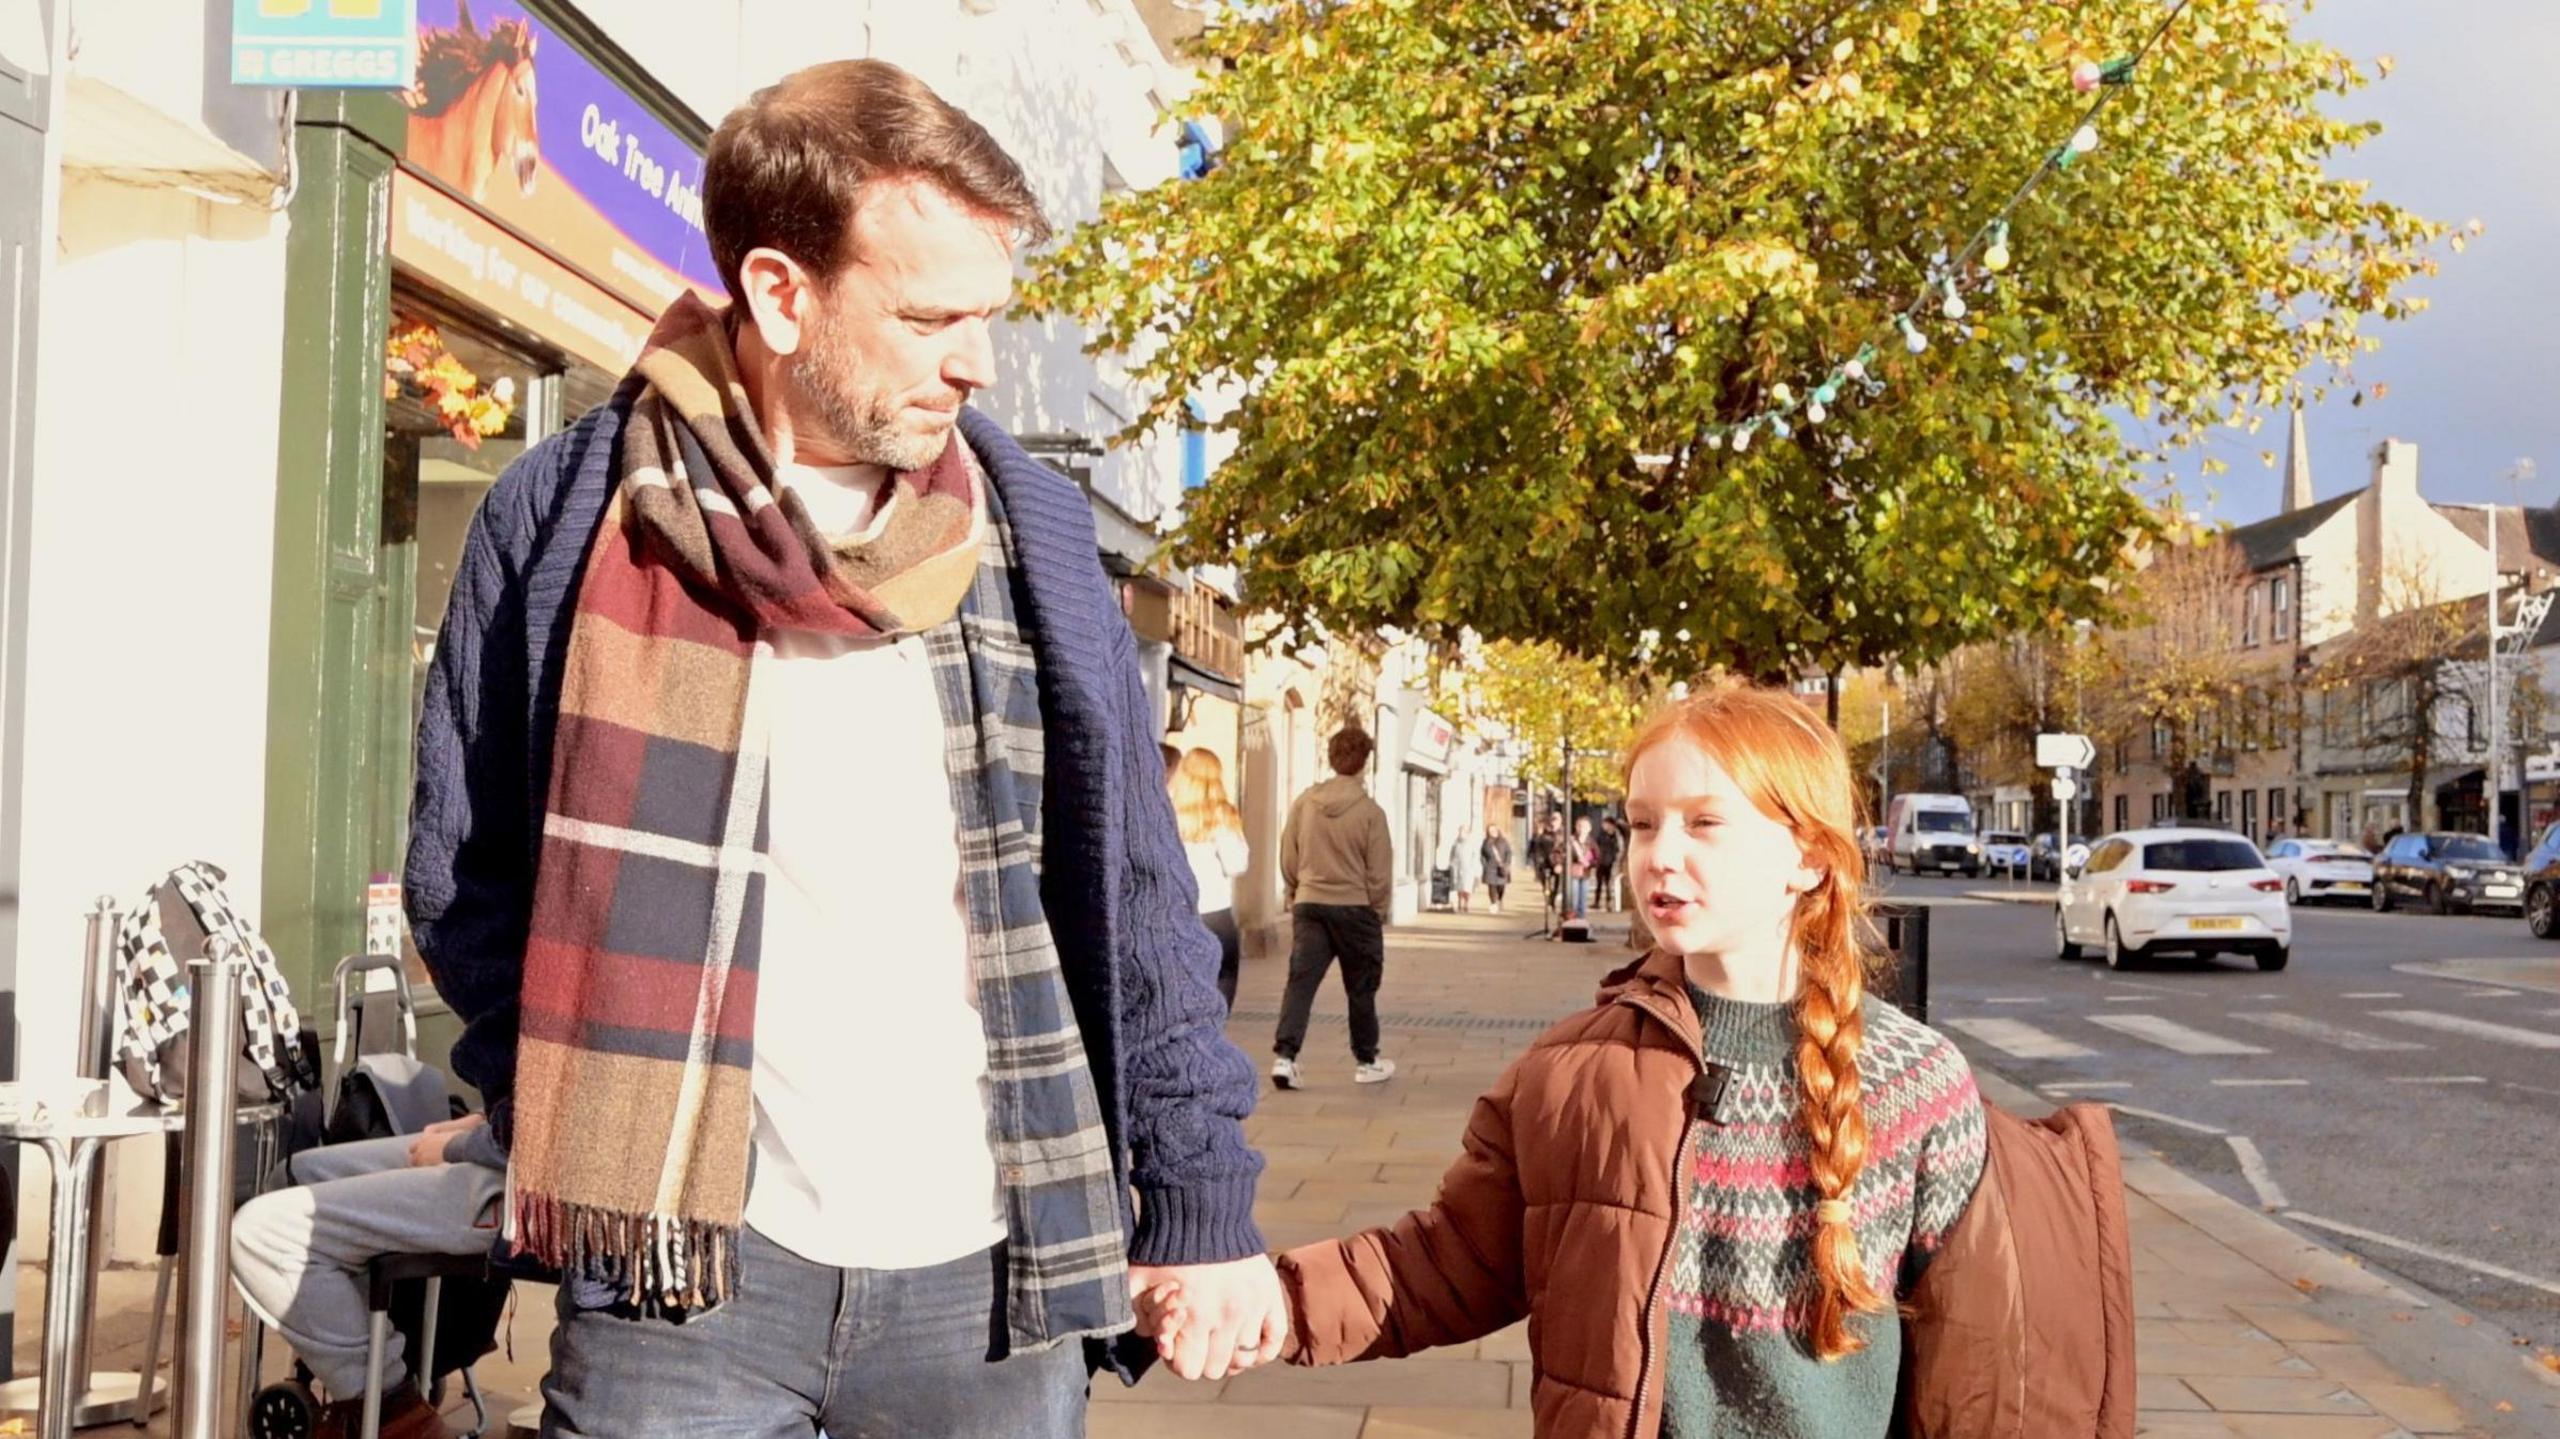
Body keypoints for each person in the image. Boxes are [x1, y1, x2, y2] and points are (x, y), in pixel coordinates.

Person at [404, 59, 1287, 1436]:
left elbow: (1137, 900)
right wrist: (583, 1117)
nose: (975, 361)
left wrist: (1200, 1200)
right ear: (778, 293)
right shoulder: (571, 514)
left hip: (989, 1277)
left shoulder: (1033, 538)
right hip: (676, 1283)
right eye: (931, 314)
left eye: (988, 315)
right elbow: (465, 874)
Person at [1142, 682, 2134, 1436]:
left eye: (1704, 823)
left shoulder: (1915, 1082)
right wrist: (1266, 1298)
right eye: (1643, 822)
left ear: (1809, 856)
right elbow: (1442, 1263)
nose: (1661, 854)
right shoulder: (1574, 1071)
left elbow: (1985, 1374)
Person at [229, 1118, 502, 1439]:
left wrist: (458, 1146)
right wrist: (482, 1119)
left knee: (260, 1235)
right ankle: (371, 1391)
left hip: (527, 1177)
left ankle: (394, 1412)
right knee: (295, 1176)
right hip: (504, 1138)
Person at [1271, 728, 1396, 1091]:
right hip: (1355, 907)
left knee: (1301, 981)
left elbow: (1288, 853)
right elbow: (1379, 870)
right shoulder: (1371, 813)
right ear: (1364, 764)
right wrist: (1378, 907)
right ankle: (1366, 1060)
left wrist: (1297, 888)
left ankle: (1285, 1056)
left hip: (1311, 903)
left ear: (1331, 757)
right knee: (1361, 987)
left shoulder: (1305, 803)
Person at [1173, 747, 1252, 1008]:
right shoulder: (1223, 815)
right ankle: (1215, 1035)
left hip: (1179, 911)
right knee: (1224, 976)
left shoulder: (1169, 813)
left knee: (1183, 982)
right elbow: (1237, 864)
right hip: (1215, 912)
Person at [1565, 815, 1599, 919]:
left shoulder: (1592, 843)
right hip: (1573, 872)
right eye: (1580, 826)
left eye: (1585, 826)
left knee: (1583, 901)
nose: (1582, 828)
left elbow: (1597, 857)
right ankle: (1573, 921)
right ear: (1576, 827)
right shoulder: (1571, 841)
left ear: (1589, 828)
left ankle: (1581, 921)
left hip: (1585, 873)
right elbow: (1563, 853)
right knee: (1573, 901)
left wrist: (1590, 863)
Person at [1447, 822, 1482, 913]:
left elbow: (1475, 855)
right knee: (1459, 887)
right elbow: (1452, 854)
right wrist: (1451, 864)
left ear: (1467, 832)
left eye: (1463, 831)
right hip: (1457, 867)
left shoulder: (1471, 842)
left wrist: (1474, 867)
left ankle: (1466, 903)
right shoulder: (1456, 842)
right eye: (1460, 830)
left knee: (1467, 887)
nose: (1461, 833)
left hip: (1468, 868)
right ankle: (1459, 902)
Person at [1479, 826, 1513, 912]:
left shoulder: (1503, 841)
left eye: (1494, 830)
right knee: (1491, 886)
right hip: (1490, 867)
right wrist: (1484, 864)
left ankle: (1500, 899)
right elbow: (1482, 854)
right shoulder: (1486, 842)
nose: (1492, 832)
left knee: (1501, 886)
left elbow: (1508, 852)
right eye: (1490, 831)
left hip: (1501, 867)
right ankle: (1493, 903)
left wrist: (1507, 863)